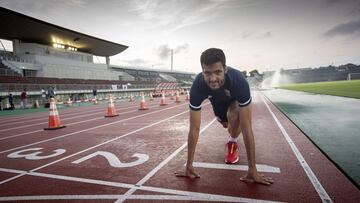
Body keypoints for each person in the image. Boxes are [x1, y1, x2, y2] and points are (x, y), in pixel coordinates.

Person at [175, 48, 273, 185]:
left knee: (235, 119)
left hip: (234, 104)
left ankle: (232, 142)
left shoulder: (238, 81)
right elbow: (194, 128)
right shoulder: (198, 85)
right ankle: (228, 125)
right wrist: (189, 165)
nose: (213, 78)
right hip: (219, 108)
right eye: (207, 73)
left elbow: (247, 128)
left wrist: (252, 169)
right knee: (226, 124)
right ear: (202, 70)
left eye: (218, 72)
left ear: (225, 69)